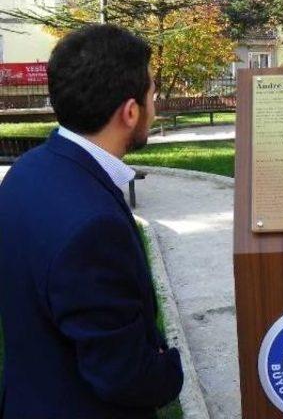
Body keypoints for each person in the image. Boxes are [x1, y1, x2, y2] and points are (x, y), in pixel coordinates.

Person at [0, 25, 183, 418]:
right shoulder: (94, 229)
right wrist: (171, 370)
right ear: (130, 112)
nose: (156, 106)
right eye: (152, 95)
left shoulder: (26, 173)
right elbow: (122, 375)